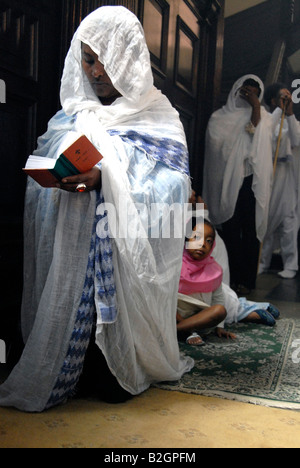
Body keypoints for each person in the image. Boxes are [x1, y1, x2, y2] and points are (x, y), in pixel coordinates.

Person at [0, 6, 194, 412]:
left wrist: (107, 179)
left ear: (130, 57)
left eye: (107, 59)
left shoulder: (157, 116)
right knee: (76, 369)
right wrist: (55, 180)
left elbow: (174, 188)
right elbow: (45, 168)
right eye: (88, 59)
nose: (96, 71)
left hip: (119, 266)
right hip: (73, 253)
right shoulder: (72, 115)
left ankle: (122, 361)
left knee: (111, 388)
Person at [202, 75, 274, 295]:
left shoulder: (266, 118)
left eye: (254, 93)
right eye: (246, 92)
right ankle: (230, 278)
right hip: (226, 182)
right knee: (231, 231)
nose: (249, 97)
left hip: (252, 183)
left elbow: (254, 132)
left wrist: (255, 107)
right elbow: (217, 149)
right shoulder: (219, 118)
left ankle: (247, 281)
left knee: (251, 232)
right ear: (236, 91)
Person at [177, 218, 280, 346]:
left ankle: (180, 330)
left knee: (220, 310)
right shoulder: (175, 265)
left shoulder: (212, 270)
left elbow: (218, 300)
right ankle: (185, 331)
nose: (202, 244)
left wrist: (219, 327)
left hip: (200, 321)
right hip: (176, 317)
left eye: (208, 241)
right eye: (196, 237)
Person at [259, 83, 300, 279]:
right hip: (270, 173)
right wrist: (279, 111)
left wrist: (290, 113)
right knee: (266, 218)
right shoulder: (268, 118)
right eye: (282, 98)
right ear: (274, 101)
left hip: (287, 175)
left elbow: (297, 140)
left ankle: (291, 264)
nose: (286, 101)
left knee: (288, 219)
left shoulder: (292, 121)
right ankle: (262, 261)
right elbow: (266, 134)